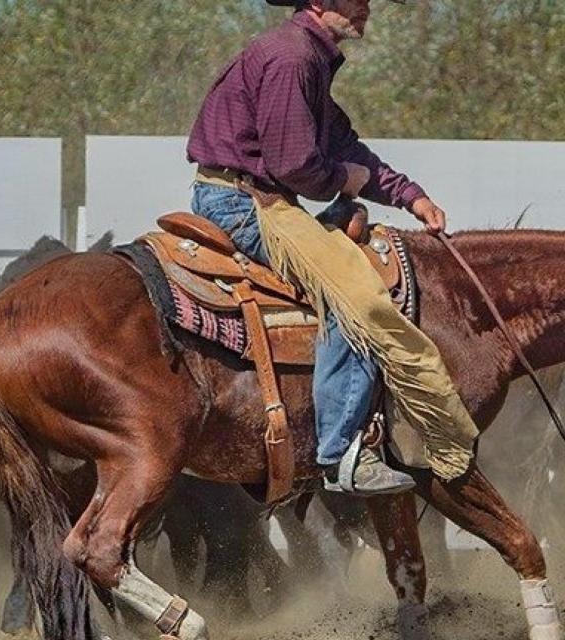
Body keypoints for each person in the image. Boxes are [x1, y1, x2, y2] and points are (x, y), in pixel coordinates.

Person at [187, 0, 479, 494]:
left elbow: (343, 145)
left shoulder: (304, 56)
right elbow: (297, 166)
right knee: (356, 298)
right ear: (321, 2)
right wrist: (346, 179)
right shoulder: (293, 58)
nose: (366, 8)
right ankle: (342, 454)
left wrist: (411, 196)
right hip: (245, 205)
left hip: (251, 197)